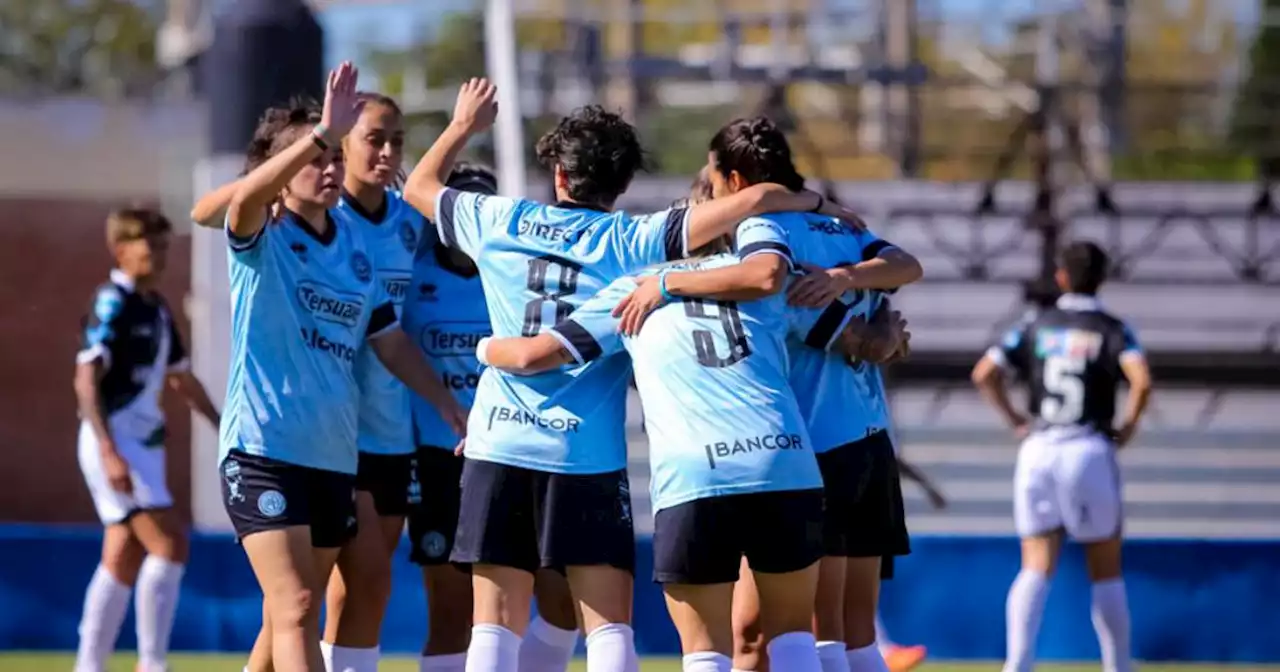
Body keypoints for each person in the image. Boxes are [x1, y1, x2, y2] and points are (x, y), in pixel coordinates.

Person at [403, 78, 862, 672]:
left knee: (493, 621)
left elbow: (418, 186)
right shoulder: (635, 240)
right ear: (621, 185)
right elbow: (752, 200)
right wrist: (818, 204)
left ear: (560, 176)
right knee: (607, 624)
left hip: (499, 439)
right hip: (585, 451)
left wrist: (464, 123)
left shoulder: (498, 219)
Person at [473, 205, 908, 672]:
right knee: (798, 640)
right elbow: (862, 341)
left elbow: (535, 355)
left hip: (694, 476)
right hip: (783, 464)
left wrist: (483, 348)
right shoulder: (770, 286)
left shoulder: (633, 290)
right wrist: (886, 336)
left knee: (705, 651)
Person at [220, 62, 467, 672]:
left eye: (335, 157)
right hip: (270, 448)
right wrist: (321, 132)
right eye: (322, 157)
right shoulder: (267, 232)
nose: (331, 168)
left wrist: (446, 403)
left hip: (342, 451)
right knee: (308, 600)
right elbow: (230, 203)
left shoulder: (363, 244)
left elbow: (389, 337)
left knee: (295, 612)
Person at [666, 117, 922, 672]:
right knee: (855, 634)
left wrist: (662, 281)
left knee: (804, 630)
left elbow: (777, 289)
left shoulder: (765, 233)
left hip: (814, 444)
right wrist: (863, 300)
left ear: (734, 179)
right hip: (871, 440)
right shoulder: (844, 229)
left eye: (712, 176)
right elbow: (907, 267)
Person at [402, 162, 581, 672]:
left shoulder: (516, 276)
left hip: (513, 448)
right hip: (438, 457)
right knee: (454, 611)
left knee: (560, 603)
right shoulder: (416, 275)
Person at [320, 91, 466, 672]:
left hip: (392, 435)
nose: (386, 152)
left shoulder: (411, 225)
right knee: (341, 586)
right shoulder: (321, 220)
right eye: (373, 139)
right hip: (330, 433)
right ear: (342, 145)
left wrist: (443, 401)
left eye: (396, 140)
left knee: (356, 592)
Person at [970, 241, 1152, 672]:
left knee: (1034, 563)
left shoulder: (1036, 323)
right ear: (1102, 277)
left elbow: (985, 373)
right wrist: (1127, 427)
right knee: (1105, 567)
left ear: (1061, 276)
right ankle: (1118, 666)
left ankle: (1017, 665)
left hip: (1039, 447)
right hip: (1088, 447)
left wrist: (1016, 419)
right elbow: (1141, 381)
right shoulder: (1112, 327)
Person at [73, 208, 221, 672]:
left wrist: (224, 427)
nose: (159, 257)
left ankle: (88, 664)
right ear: (122, 250)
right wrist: (107, 449)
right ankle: (152, 662)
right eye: (150, 247)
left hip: (144, 449)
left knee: (121, 554)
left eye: (163, 247)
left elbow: (181, 379)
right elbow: (85, 379)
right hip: (117, 446)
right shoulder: (111, 302)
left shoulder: (156, 308)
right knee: (171, 543)